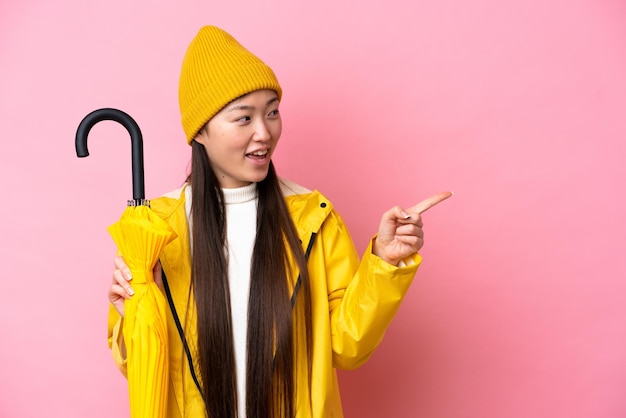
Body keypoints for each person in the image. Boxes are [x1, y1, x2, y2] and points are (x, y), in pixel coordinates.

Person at [107, 25, 451, 418]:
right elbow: (138, 369)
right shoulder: (153, 230)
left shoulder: (313, 218)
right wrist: (129, 316)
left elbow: (345, 346)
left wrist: (385, 263)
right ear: (200, 131)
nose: (264, 132)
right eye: (243, 118)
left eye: (272, 112)